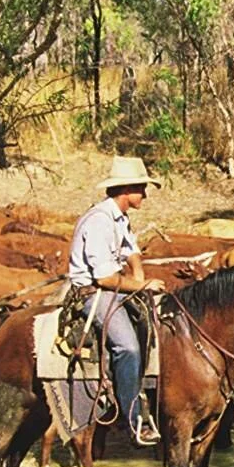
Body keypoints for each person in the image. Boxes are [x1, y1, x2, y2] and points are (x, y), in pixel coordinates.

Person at [67, 155, 166, 446]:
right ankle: (132, 419)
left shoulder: (120, 218)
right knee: (128, 347)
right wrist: (142, 285)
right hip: (93, 294)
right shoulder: (99, 221)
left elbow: (131, 250)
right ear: (126, 190)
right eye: (141, 189)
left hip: (114, 288)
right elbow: (105, 279)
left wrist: (138, 273)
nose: (145, 195)